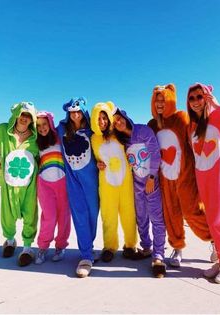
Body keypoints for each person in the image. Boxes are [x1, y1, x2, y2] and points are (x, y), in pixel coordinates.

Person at [148, 84, 212, 267]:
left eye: (163, 99)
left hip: (185, 175)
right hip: (165, 178)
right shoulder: (152, 125)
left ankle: (214, 239)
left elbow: (196, 138)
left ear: (170, 99)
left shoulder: (181, 117)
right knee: (171, 214)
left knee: (192, 211)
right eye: (157, 100)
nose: (160, 104)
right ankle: (177, 247)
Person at [187, 82, 220, 284]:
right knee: (212, 221)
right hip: (203, 179)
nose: (196, 101)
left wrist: (217, 104)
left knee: (219, 221)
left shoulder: (218, 117)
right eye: (192, 98)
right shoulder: (192, 126)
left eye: (200, 96)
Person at [113, 108, 166, 278]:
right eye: (114, 122)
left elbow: (155, 153)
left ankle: (158, 256)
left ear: (125, 117)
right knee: (141, 218)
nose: (118, 123)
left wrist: (152, 176)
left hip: (152, 183)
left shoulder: (143, 130)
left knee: (157, 219)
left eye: (119, 118)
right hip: (137, 186)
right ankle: (146, 247)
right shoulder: (122, 141)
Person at [57, 97, 99, 278]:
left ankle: (89, 246)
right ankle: (86, 256)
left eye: (78, 111)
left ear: (83, 111)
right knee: (79, 215)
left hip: (92, 181)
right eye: (72, 111)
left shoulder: (91, 131)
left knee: (92, 216)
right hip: (73, 182)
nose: (75, 114)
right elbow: (43, 128)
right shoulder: (62, 130)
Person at [90, 102, 137, 262]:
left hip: (125, 182)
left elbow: (132, 142)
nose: (102, 121)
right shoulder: (94, 139)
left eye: (104, 118)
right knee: (108, 215)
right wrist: (97, 163)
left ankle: (130, 245)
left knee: (129, 214)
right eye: (98, 119)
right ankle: (109, 246)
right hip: (107, 183)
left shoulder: (119, 133)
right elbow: (93, 159)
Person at [0, 102, 39, 266]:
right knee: (7, 213)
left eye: (28, 116)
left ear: (32, 119)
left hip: (29, 184)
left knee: (30, 213)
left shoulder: (35, 139)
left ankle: (27, 248)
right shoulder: (2, 131)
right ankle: (9, 240)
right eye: (22, 114)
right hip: (8, 182)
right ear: (16, 114)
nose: (24, 118)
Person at [35, 111, 71, 264]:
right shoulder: (36, 142)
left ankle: (61, 245)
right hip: (45, 184)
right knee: (48, 217)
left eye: (44, 124)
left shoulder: (59, 138)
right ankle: (42, 247)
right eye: (38, 126)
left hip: (62, 182)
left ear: (50, 123)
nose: (42, 128)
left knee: (63, 217)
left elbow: (67, 124)